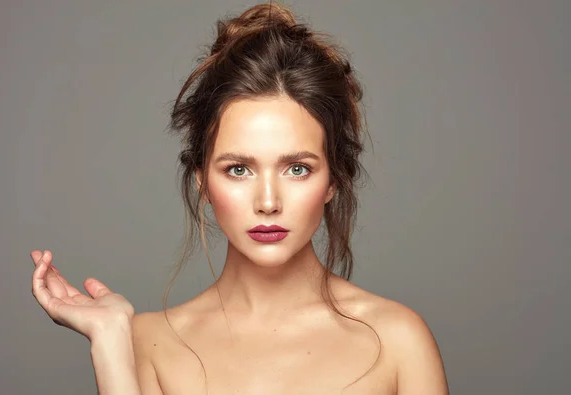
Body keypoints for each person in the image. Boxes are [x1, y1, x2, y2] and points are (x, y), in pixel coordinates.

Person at [31, 2, 449, 394]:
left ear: (333, 180)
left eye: (297, 168)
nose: (268, 201)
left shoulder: (399, 340)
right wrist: (109, 342)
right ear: (202, 181)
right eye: (238, 169)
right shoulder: (145, 341)